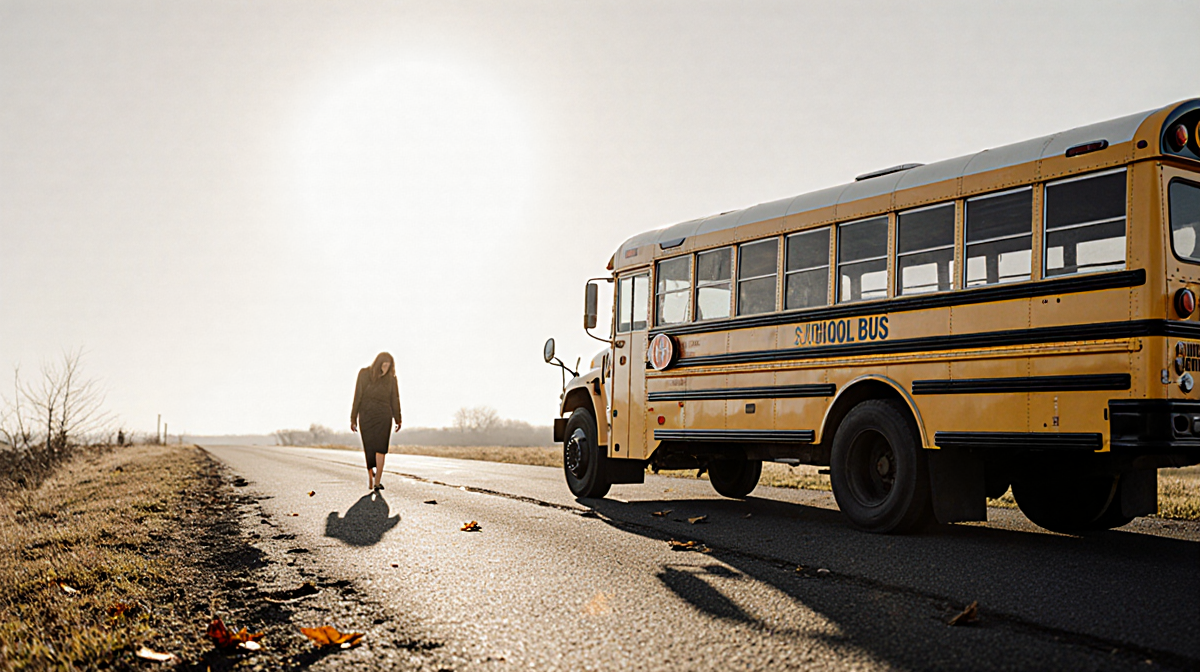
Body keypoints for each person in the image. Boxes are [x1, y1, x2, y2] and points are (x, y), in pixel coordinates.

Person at [350, 352, 402, 490]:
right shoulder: (364, 374)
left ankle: (377, 480)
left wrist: (398, 418)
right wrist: (353, 418)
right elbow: (357, 395)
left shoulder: (391, 379)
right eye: (383, 364)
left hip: (384, 416)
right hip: (366, 415)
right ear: (378, 363)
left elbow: (395, 399)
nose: (385, 368)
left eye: (388, 365)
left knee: (381, 448)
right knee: (369, 447)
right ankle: (370, 478)